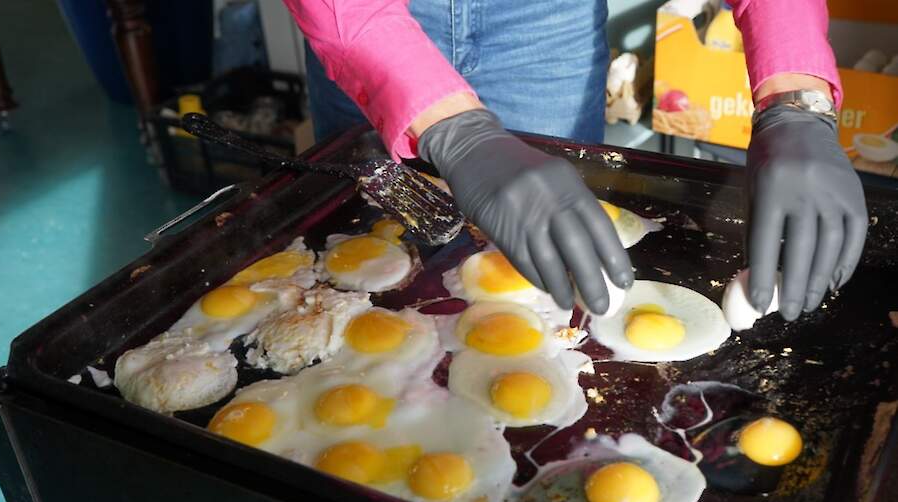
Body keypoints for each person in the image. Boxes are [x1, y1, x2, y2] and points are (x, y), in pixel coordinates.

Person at [284, 0, 868, 321]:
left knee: (557, 264)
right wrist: (454, 132)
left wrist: (796, 98)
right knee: (368, 264)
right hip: (362, 15)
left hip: (545, 17)